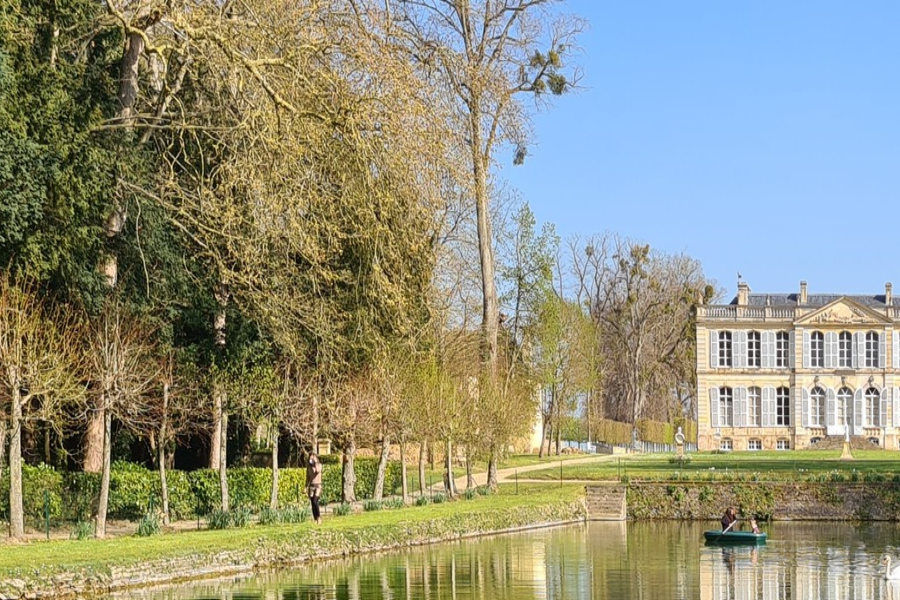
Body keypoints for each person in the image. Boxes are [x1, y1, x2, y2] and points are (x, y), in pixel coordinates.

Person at [306, 452, 323, 524]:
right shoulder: (308, 467)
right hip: (312, 486)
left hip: (318, 485)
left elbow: (317, 471)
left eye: (312, 458)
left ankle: (319, 517)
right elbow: (307, 477)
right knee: (312, 502)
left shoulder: (319, 465)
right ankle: (315, 518)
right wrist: (305, 486)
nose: (311, 459)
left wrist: (315, 463)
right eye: (310, 458)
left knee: (315, 501)